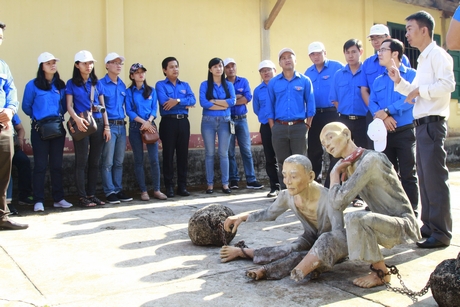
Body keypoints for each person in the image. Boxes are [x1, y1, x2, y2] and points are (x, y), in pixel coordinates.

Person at [295, 122, 420, 288]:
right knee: (330, 237)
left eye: (330, 137)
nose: (327, 146)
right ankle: (303, 269)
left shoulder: (371, 159)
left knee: (354, 217)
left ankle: (380, 272)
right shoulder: (350, 165)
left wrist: (334, 175)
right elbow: (336, 205)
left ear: (346, 134)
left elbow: (338, 202)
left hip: (402, 224)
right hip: (382, 223)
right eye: (324, 144)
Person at [220, 154, 347, 281]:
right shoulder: (287, 195)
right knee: (288, 249)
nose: (287, 181)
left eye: (293, 176)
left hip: (330, 246)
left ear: (310, 176)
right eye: (285, 175)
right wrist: (241, 217)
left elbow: (337, 235)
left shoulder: (329, 198)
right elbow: (269, 213)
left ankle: (265, 270)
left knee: (298, 256)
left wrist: (320, 252)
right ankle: (243, 252)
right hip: (309, 238)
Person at [389, 11, 455, 248]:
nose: (406, 33)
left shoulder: (438, 55)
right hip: (422, 125)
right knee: (426, 179)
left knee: (435, 178)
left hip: (433, 124)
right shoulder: (423, 58)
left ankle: (441, 232)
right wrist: (399, 81)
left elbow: (448, 84)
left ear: (424, 30)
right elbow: (413, 92)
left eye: (409, 28)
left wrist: (420, 91)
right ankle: (429, 225)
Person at [368, 38, 419, 214]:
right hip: (384, 133)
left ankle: (411, 212)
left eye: (383, 50)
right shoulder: (377, 81)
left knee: (408, 173)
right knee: (387, 175)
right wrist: (383, 117)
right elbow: (372, 103)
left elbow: (410, 99)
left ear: (395, 53)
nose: (379, 53)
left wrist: (388, 111)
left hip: (405, 131)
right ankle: (390, 210)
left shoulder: (411, 75)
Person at [22, 52, 72, 212]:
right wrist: (39, 118)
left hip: (57, 128)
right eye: (48, 63)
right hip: (39, 130)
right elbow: (26, 106)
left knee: (56, 165)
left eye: (54, 62)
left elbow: (64, 106)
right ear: (41, 66)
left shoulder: (60, 85)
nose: (52, 65)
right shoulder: (32, 85)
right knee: (40, 165)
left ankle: (58, 198)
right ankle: (38, 200)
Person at [66, 50, 110, 207]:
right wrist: (77, 119)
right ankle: (82, 196)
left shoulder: (97, 83)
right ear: (77, 65)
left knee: (95, 161)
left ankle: (92, 194)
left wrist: (107, 126)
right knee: (81, 161)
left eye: (91, 63)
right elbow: (69, 106)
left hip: (97, 123)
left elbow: (103, 106)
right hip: (82, 124)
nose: (89, 66)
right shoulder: (71, 83)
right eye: (85, 63)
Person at [267, 48, 315, 188]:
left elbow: (310, 105)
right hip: (279, 127)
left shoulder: (305, 81)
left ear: (295, 60)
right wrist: (273, 127)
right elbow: (269, 107)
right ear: (280, 63)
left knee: (300, 161)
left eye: (290, 57)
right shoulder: (274, 82)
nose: (287, 60)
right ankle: (285, 193)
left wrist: (307, 125)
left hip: (299, 127)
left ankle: (301, 190)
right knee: (282, 161)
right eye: (283, 58)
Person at [359, 24, 411, 149]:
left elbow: (410, 93)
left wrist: (388, 111)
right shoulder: (368, 63)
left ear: (388, 37)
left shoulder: (403, 61)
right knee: (381, 159)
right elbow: (365, 92)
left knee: (407, 164)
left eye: (379, 37)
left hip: (401, 120)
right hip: (377, 117)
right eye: (372, 38)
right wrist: (380, 115)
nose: (375, 41)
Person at [0, 21, 28, 230]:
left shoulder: (3, 66)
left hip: (3, 127)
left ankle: (2, 217)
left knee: (3, 174)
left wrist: (9, 110)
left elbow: (12, 92)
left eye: (0, 38)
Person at [304, 42, 344, 187]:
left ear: (324, 53)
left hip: (332, 114)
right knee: (314, 150)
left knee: (335, 150)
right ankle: (315, 184)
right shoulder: (308, 73)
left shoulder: (337, 67)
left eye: (318, 53)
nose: (316, 56)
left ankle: (334, 183)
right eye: (312, 54)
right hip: (315, 115)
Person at [126, 63, 167, 201]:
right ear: (132, 76)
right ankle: (143, 191)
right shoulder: (129, 92)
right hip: (135, 126)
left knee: (154, 159)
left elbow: (154, 109)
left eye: (142, 71)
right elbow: (129, 110)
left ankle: (157, 189)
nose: (140, 74)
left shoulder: (151, 90)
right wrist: (143, 122)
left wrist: (149, 121)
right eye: (137, 72)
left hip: (150, 126)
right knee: (139, 160)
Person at [156, 57, 196, 198]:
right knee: (168, 155)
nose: (175, 69)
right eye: (171, 67)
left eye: (177, 66)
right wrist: (183, 103)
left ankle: (182, 186)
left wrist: (177, 100)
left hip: (183, 122)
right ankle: (169, 187)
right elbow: (164, 102)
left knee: (183, 155)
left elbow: (193, 100)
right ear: (164, 70)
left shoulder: (184, 85)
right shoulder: (160, 85)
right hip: (168, 123)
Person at [223, 58, 263, 191]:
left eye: (232, 66)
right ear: (224, 69)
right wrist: (237, 97)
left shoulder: (243, 81)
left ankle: (251, 180)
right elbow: (222, 101)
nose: (230, 69)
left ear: (236, 67)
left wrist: (230, 100)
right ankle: (233, 179)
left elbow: (247, 98)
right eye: (227, 67)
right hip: (227, 120)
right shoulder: (221, 83)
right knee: (230, 152)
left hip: (241, 119)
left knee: (246, 150)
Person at [199, 57, 236, 194]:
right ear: (210, 69)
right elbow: (204, 103)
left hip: (225, 122)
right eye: (215, 66)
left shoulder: (229, 85)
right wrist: (222, 104)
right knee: (209, 153)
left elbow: (232, 102)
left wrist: (214, 101)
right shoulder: (204, 85)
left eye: (220, 66)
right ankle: (210, 184)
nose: (218, 69)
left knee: (223, 153)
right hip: (208, 121)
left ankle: (225, 184)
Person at [100, 52, 132, 204]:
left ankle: (118, 189)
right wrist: (106, 126)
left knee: (119, 161)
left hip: (121, 125)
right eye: (114, 62)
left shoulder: (122, 84)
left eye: (120, 63)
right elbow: (102, 107)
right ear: (107, 65)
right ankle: (109, 190)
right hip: (109, 125)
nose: (118, 65)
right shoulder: (101, 84)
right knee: (108, 161)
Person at [252, 60, 280, 197]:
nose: (266, 73)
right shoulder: (258, 90)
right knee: (270, 157)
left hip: (282, 124)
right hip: (265, 126)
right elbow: (257, 109)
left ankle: (287, 186)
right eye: (263, 71)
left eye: (269, 70)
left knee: (285, 156)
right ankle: (275, 186)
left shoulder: (281, 86)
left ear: (275, 70)